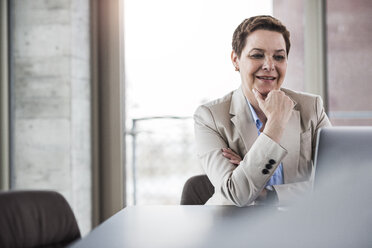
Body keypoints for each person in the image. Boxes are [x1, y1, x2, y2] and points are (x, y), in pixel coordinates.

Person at [194, 15, 331, 206]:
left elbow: (338, 183)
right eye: (257, 55)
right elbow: (235, 193)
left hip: (300, 224)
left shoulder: (311, 107)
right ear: (236, 60)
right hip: (234, 227)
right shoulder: (210, 117)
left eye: (279, 57)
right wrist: (275, 124)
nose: (269, 65)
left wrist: (268, 195)